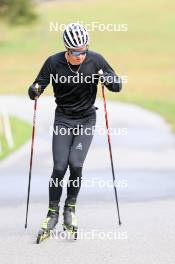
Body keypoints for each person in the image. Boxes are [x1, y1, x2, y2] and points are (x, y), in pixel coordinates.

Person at [28, 22, 122, 240]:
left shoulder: (96, 59)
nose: (80, 55)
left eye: (83, 50)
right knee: (59, 167)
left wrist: (109, 80)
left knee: (75, 164)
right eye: (75, 52)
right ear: (66, 49)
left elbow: (117, 84)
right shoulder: (53, 63)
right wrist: (34, 91)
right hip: (63, 119)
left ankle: (70, 208)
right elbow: (36, 86)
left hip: (86, 120)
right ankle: (52, 212)